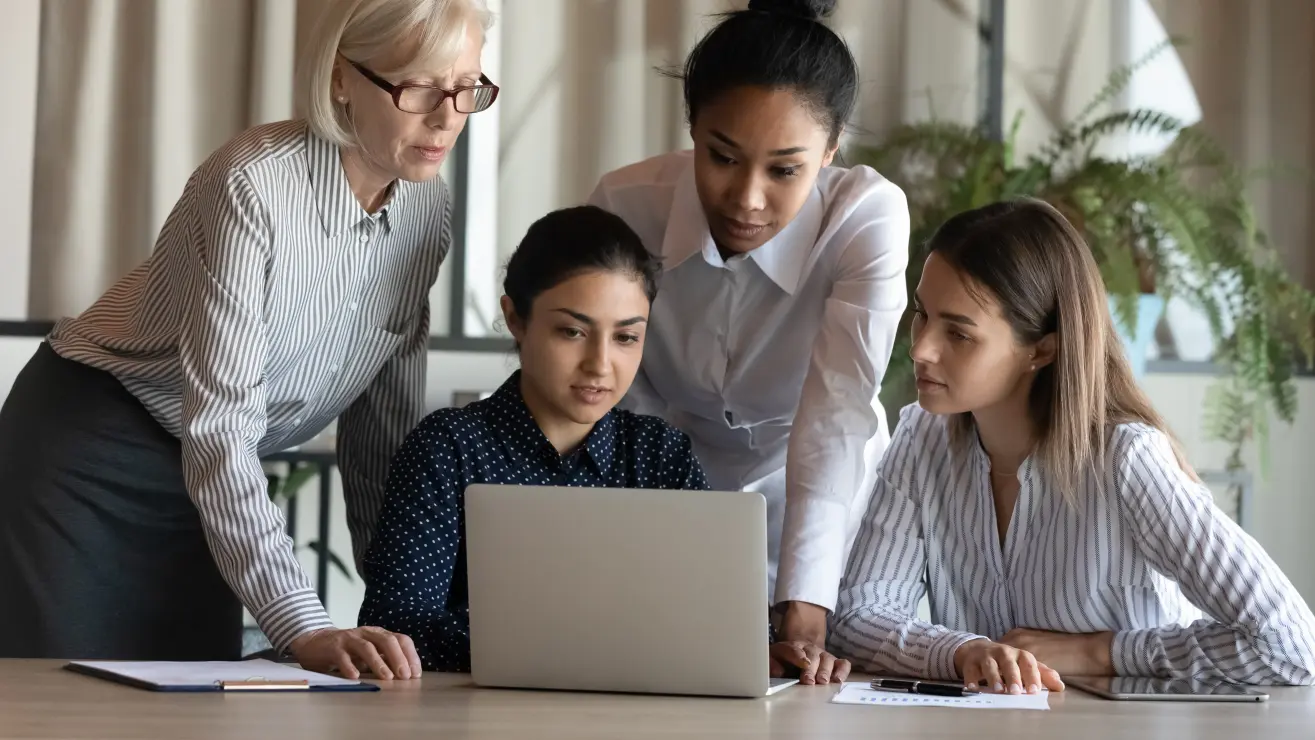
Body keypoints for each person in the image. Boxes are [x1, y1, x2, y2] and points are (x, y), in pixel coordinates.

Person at [0, 0, 500, 680]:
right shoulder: (253, 184)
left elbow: (381, 422)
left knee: (191, 703)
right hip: (92, 454)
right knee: (67, 703)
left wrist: (404, 602)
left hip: (209, 472)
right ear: (341, 78)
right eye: (417, 88)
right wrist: (305, 626)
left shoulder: (428, 207)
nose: (447, 118)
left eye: (466, 87)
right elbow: (221, 425)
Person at [829, 198, 1315, 693]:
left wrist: (1099, 652)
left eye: (958, 333)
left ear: (1042, 348)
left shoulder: (1128, 460)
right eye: (922, 315)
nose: (921, 348)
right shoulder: (921, 439)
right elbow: (858, 617)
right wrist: (963, 652)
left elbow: (1290, 645)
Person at [586, 0, 907, 685]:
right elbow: (622, 398)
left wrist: (806, 602)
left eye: (784, 170)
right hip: (671, 472)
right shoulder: (624, 206)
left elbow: (836, 411)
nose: (746, 198)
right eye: (722, 156)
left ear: (831, 149)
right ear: (692, 129)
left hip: (819, 486)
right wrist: (662, 544)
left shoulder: (865, 217)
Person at [357, 206, 710, 671]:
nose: (600, 364)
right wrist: (592, 641)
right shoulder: (449, 448)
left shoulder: (660, 456)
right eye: (573, 331)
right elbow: (396, 628)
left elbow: (718, 617)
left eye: (626, 338)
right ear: (516, 319)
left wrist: (774, 653)